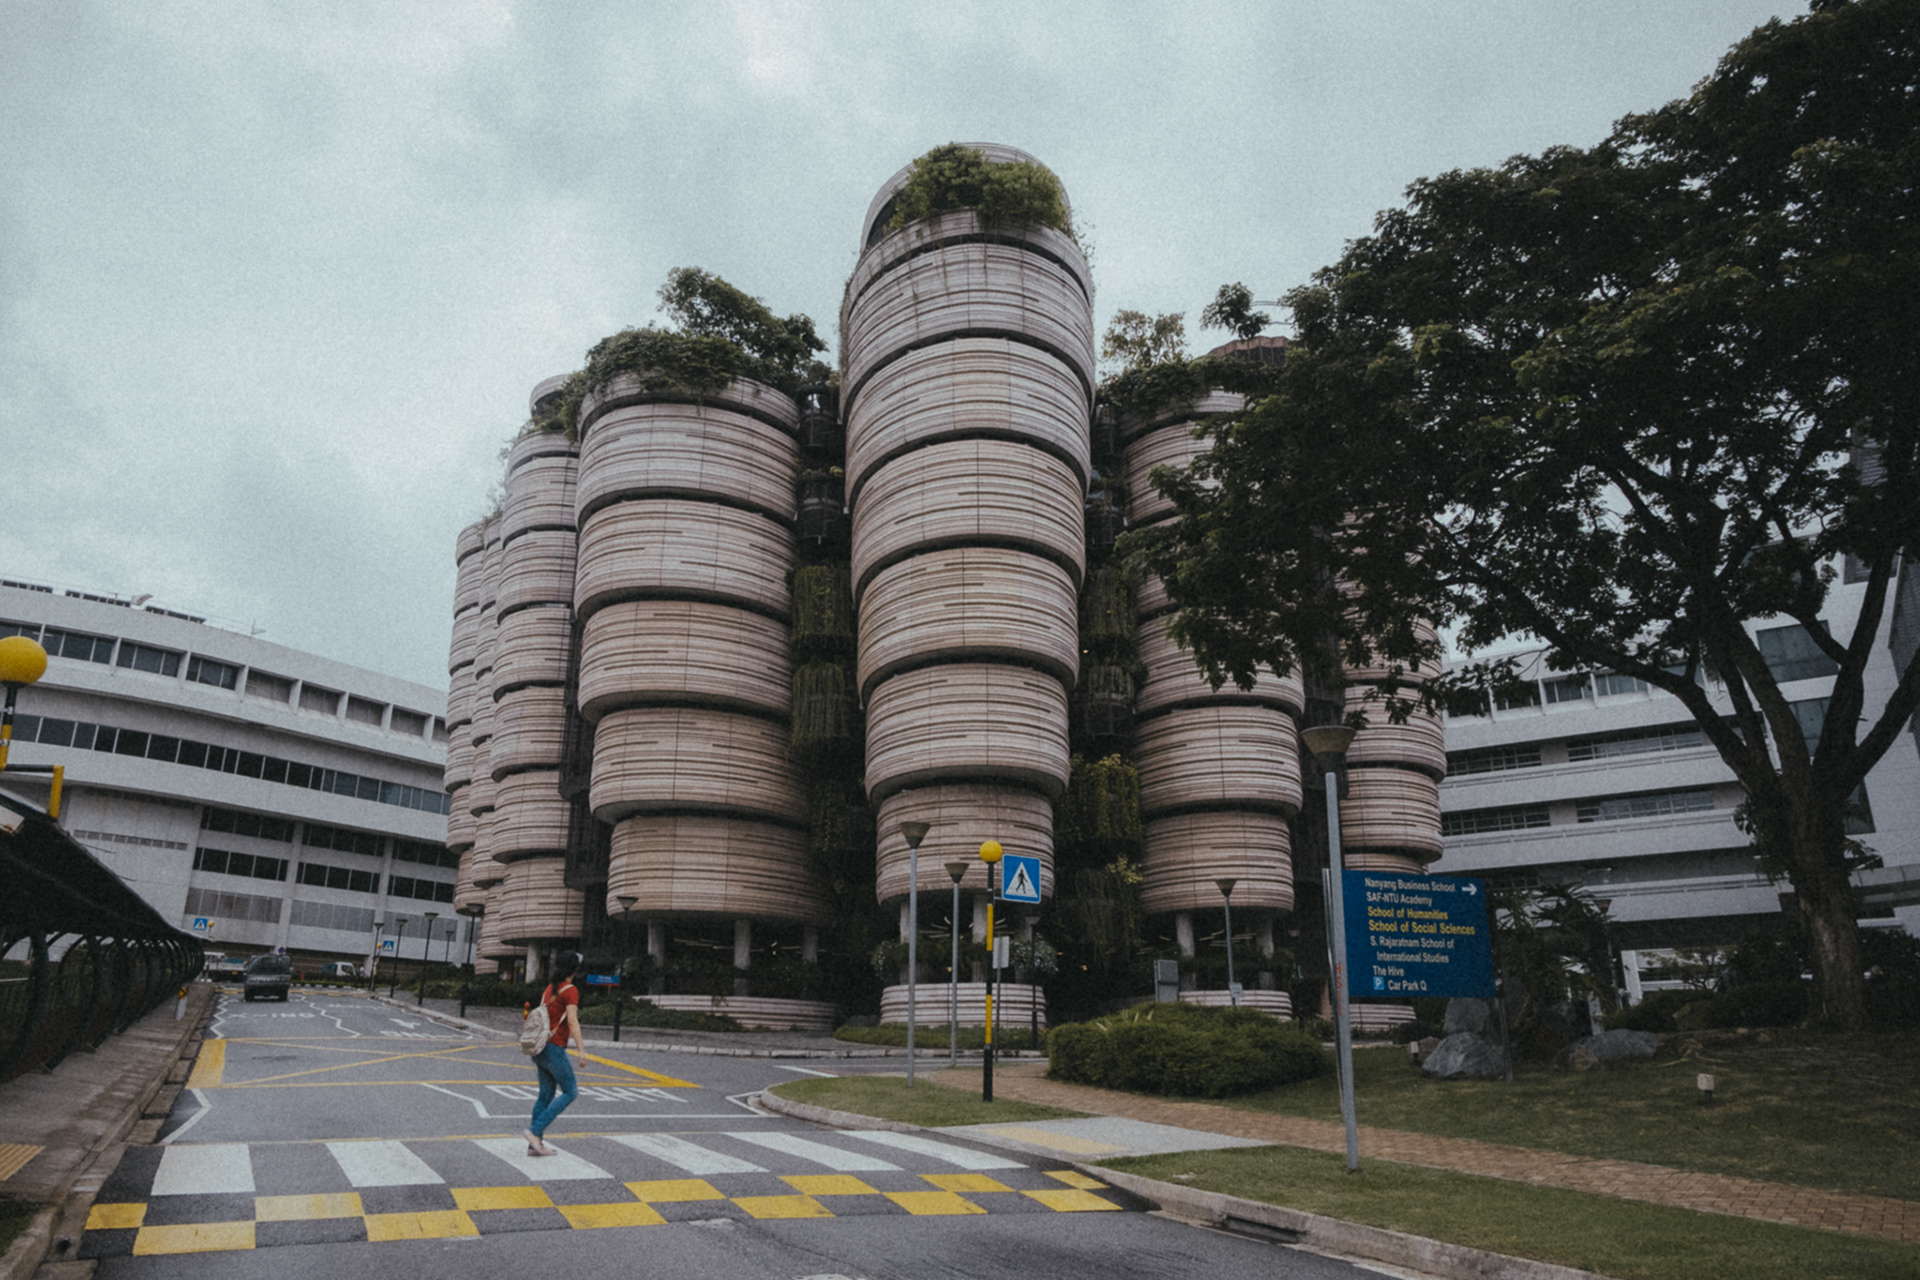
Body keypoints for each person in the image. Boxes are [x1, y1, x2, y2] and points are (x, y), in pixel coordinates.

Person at [525, 951, 585, 1156]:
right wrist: (582, 1051)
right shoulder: (570, 990)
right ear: (575, 969)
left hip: (540, 1047)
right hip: (554, 1047)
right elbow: (572, 1021)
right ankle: (535, 1132)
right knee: (570, 1092)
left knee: (545, 1095)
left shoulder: (550, 988)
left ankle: (534, 1145)